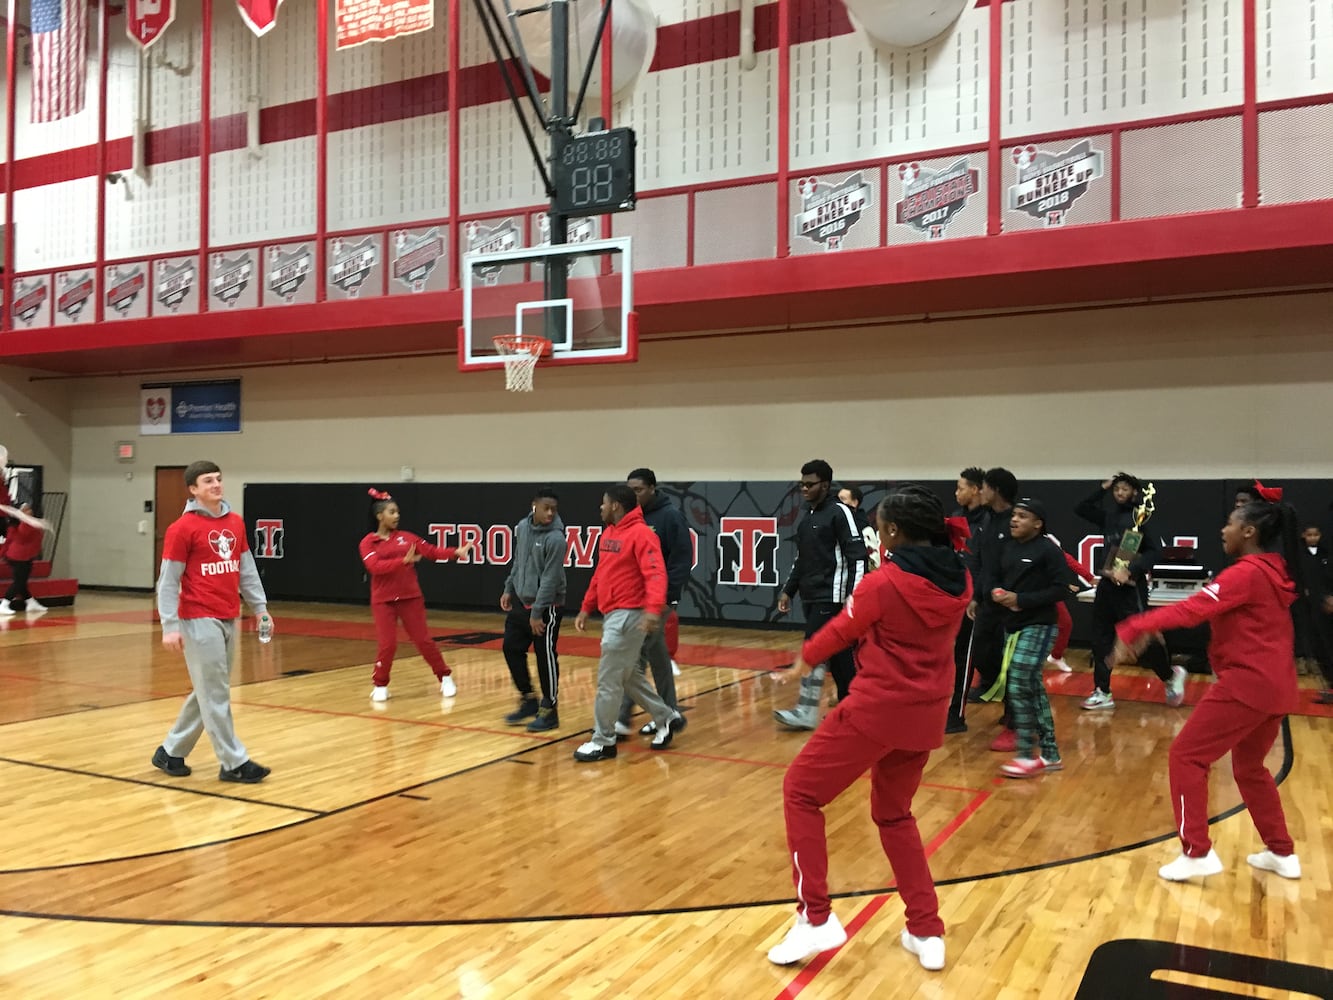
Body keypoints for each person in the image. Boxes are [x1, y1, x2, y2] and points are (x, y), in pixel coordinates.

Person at [766, 485, 971, 971]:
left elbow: (844, 629)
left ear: (894, 532)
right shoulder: (960, 577)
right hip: (926, 714)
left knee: (800, 792)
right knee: (895, 816)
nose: (877, 537)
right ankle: (926, 929)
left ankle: (815, 919)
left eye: (879, 529)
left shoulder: (883, 582)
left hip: (877, 709)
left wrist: (804, 659)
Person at [1112, 485, 1304, 882]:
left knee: (1186, 756)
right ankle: (1282, 852)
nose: (1223, 530)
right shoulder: (1274, 570)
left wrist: (1136, 625)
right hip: (1277, 686)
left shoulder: (1248, 573)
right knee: (1250, 768)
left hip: (1248, 684)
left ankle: (1197, 852)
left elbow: (1193, 608)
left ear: (1249, 531)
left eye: (1231, 523)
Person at [152, 461, 273, 784]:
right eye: (208, 481)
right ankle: (233, 762)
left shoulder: (235, 523)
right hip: (196, 618)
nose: (216, 484)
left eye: (219, 479)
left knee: (209, 689)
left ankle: (171, 750)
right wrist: (170, 625)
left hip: (229, 615)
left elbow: (246, 569)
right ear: (193, 489)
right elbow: (168, 582)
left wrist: (260, 608)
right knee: (216, 691)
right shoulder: (182, 528)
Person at [573, 485, 686, 762]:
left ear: (615, 506)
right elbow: (601, 573)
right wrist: (587, 607)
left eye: (604, 503)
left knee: (608, 679)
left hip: (630, 614)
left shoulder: (642, 534)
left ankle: (603, 741)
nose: (600, 508)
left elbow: (656, 575)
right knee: (628, 676)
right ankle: (666, 717)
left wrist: (651, 611)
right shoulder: (610, 533)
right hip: (612, 613)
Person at [1075, 472, 1185, 711]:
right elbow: (1081, 508)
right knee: (1100, 638)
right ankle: (1102, 691)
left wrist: (1131, 569)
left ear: (1135, 492)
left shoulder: (1141, 516)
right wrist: (1102, 488)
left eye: (1124, 489)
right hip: (1106, 586)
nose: (1119, 493)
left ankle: (1169, 677)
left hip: (1130, 589)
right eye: (1116, 489)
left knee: (1141, 642)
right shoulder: (1109, 516)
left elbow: (1155, 552)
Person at [774, 460, 868, 730]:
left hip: (833, 596)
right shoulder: (808, 519)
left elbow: (857, 557)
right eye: (801, 484)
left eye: (809, 484)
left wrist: (854, 596)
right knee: (839, 658)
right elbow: (801, 560)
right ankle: (855, 709)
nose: (803, 488)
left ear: (824, 485)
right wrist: (788, 590)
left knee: (813, 646)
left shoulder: (840, 513)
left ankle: (806, 711)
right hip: (810, 595)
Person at [359, 489, 471, 702]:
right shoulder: (368, 543)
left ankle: (445, 676)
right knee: (387, 644)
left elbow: (431, 551)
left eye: (398, 512)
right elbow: (374, 566)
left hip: (410, 597)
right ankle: (380, 684)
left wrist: (454, 552)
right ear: (379, 516)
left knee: (423, 640)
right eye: (392, 512)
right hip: (383, 600)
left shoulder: (407, 538)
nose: (397, 516)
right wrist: (402, 562)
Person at [991, 498, 1070, 777]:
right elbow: (995, 578)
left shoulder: (1048, 550)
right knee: (1032, 687)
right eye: (1014, 515)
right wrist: (994, 592)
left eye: (1022, 516)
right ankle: (1050, 754)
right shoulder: (1007, 547)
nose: (1014, 520)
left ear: (1037, 524)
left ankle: (1026, 754)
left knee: (1018, 681)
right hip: (1012, 625)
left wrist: (1021, 599)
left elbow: (1063, 588)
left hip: (1040, 624)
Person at [616, 469, 691, 738]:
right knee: (658, 656)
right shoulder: (628, 518)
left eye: (638, 490)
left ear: (652, 489)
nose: (633, 495)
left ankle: (622, 717)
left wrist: (666, 596)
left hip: (659, 599)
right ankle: (670, 712)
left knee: (635, 652)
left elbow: (683, 559)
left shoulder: (670, 516)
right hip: (636, 598)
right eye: (630, 490)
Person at [500, 488, 567, 731]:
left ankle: (550, 710)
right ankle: (528, 699)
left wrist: (537, 612)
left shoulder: (556, 539)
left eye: (554, 509)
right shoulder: (522, 527)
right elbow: (518, 561)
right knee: (510, 648)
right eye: (545, 508)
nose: (550, 513)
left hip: (546, 607)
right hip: (520, 601)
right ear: (534, 506)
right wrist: (509, 587)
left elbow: (550, 580)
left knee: (545, 657)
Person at [945, 466, 987, 733]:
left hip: (980, 601)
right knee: (958, 656)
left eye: (960, 487)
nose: (956, 492)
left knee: (972, 656)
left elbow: (989, 565)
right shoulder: (956, 519)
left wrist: (979, 595)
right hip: (956, 597)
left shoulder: (991, 521)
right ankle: (953, 712)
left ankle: (956, 715)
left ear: (974, 489)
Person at [1297, 524, 1333, 704]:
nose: (1312, 538)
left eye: (1315, 534)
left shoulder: (1326, 555)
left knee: (1328, 645)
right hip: (1310, 606)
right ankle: (1329, 685)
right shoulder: (1300, 556)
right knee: (1318, 645)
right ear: (1304, 535)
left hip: (1326, 604)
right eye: (1308, 534)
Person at [0, 502, 49, 615]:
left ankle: (31, 602)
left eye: (29, 509)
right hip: (18, 557)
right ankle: (4, 604)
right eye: (26, 510)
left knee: (22, 582)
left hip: (25, 556)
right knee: (19, 582)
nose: (29, 511)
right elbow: (21, 538)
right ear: (20, 513)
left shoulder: (27, 523)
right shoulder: (23, 524)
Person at [840, 484, 881, 571]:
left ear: (854, 502)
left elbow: (873, 562)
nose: (838, 503)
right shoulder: (836, 522)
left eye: (842, 499)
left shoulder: (865, 529)